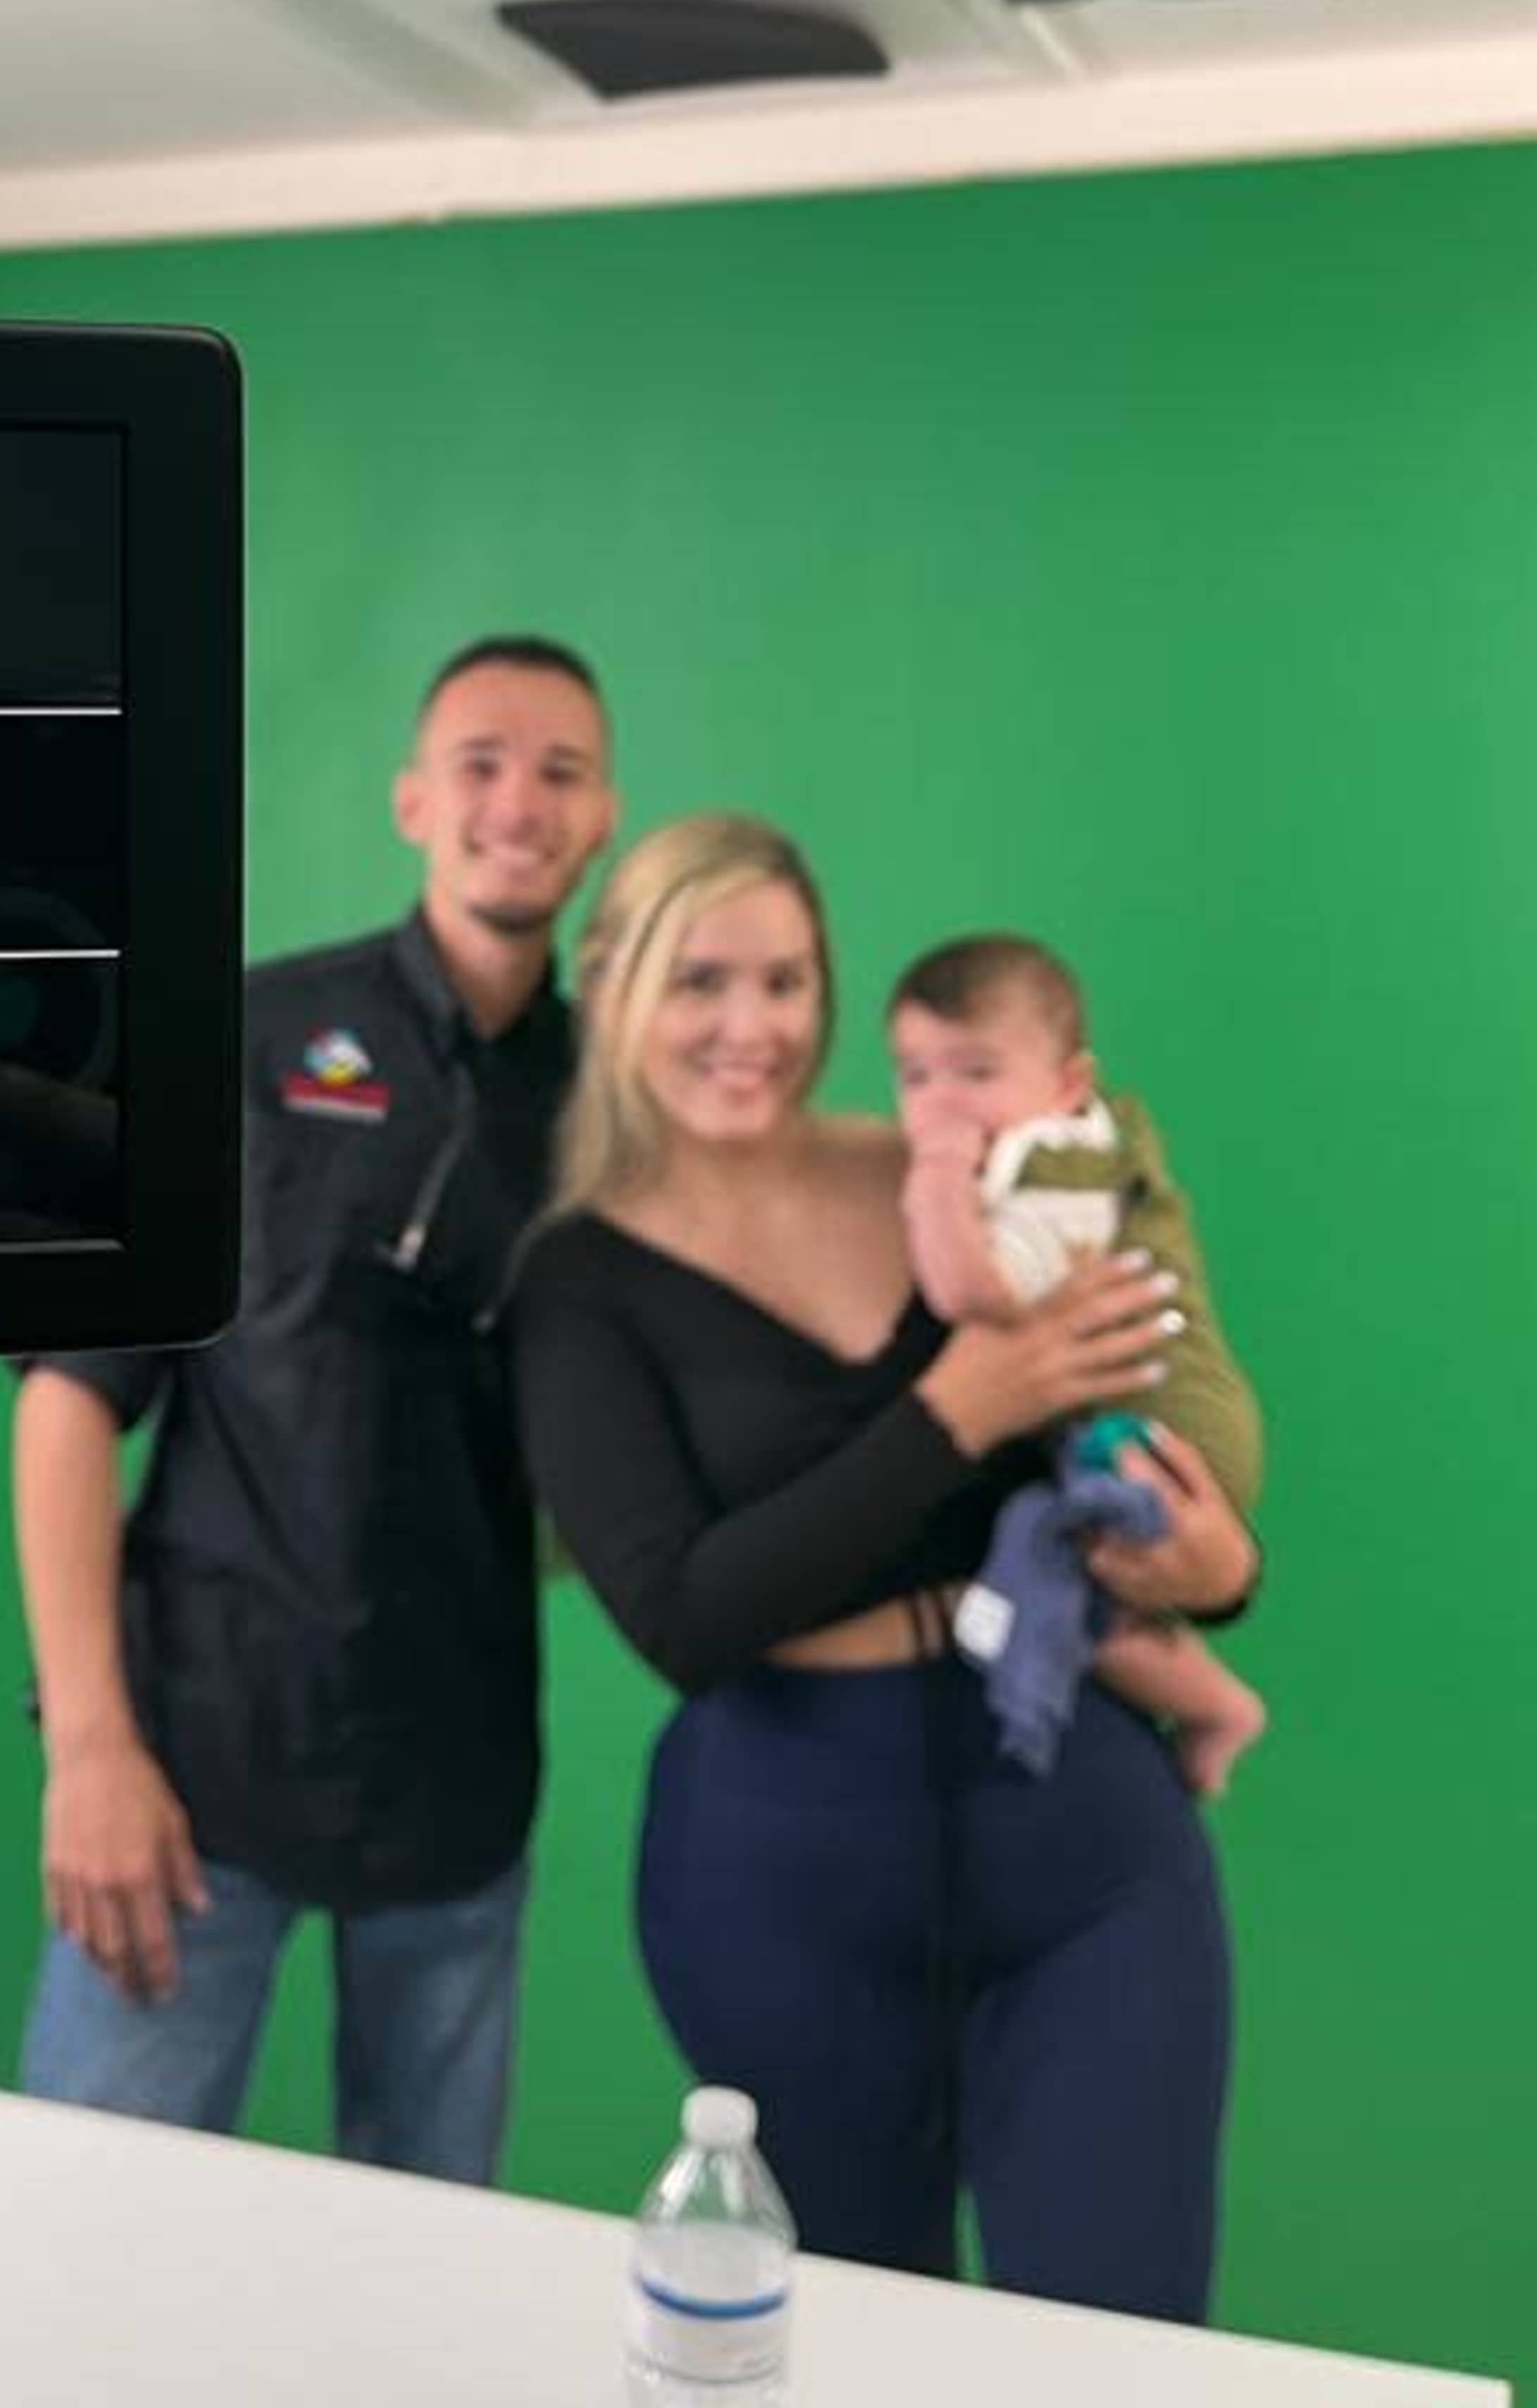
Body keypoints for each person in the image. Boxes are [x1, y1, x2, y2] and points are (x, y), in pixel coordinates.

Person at [507, 816, 1255, 2318]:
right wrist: (954, 1407)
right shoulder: (575, 1281)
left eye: (787, 981)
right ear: (616, 985)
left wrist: (1218, 1563)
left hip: (1083, 1849)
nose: (750, 1027)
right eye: (702, 979)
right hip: (778, 1881)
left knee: (1129, 2353)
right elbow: (684, 1613)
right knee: (863, 2349)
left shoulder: (958, 1171)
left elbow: (1145, 1398)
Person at [13, 635, 617, 2181]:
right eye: (482, 762)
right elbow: (75, 1396)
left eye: (561, 771)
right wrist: (89, 1745)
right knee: (87, 2238)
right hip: (189, 1770)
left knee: (429, 2281)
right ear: (416, 797)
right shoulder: (255, 1037)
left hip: (458, 1795)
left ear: (603, 812)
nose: (518, 801)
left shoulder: (620, 1107)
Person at [888, 930, 1267, 1797]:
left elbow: (967, 1293)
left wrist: (936, 1177)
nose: (943, 1103)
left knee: (1049, 1571)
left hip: (1164, 1433)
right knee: (1080, 1582)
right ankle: (1214, 1702)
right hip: (1137, 1422)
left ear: (1068, 1084)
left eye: (976, 1073)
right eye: (916, 1076)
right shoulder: (1060, 1146)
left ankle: (1216, 1706)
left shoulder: (1059, 1175)